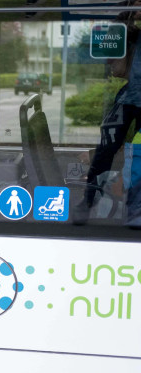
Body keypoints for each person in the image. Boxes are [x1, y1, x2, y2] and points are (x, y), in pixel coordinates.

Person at [78, 0, 141, 223]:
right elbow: (114, 147)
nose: (107, 60)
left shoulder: (133, 96)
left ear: (131, 49)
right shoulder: (129, 94)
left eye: (113, 51)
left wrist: (86, 203)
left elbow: (111, 151)